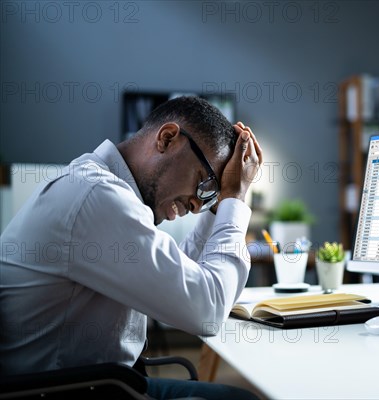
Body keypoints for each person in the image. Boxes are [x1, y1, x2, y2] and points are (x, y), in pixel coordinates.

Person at [0, 96, 263, 399]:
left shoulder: (102, 188)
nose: (196, 206)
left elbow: (179, 282)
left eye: (208, 197)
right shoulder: (95, 196)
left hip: (102, 381)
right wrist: (235, 199)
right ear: (167, 138)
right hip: (67, 389)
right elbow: (206, 311)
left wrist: (219, 206)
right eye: (203, 183)